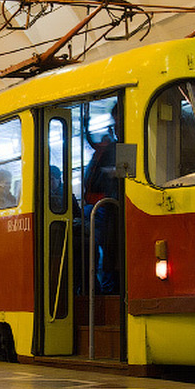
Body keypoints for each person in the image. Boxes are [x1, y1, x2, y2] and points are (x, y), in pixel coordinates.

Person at [84, 107, 120, 294]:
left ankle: (106, 286)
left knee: (107, 249)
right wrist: (86, 122)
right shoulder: (107, 150)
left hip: (108, 204)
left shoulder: (118, 147)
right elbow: (91, 141)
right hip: (102, 204)